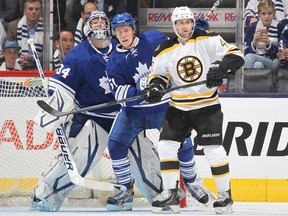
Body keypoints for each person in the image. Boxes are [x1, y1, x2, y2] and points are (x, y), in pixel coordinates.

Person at [31, 10, 166, 212]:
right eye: (95, 22)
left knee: (142, 154)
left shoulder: (121, 47)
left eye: (104, 22)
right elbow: (61, 90)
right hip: (90, 117)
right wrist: (54, 108)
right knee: (82, 156)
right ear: (87, 28)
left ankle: (156, 196)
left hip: (124, 114)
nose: (100, 25)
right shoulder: (78, 56)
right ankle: (46, 195)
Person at [143, 6, 244, 214]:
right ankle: (171, 192)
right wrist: (155, 87)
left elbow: (236, 55)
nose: (185, 26)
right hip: (179, 106)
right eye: (180, 23)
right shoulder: (164, 49)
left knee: (213, 150)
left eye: (188, 22)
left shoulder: (207, 39)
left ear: (192, 22)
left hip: (207, 106)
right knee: (166, 146)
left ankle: (225, 196)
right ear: (174, 26)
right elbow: (159, 76)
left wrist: (221, 68)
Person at [105, 12, 209, 212]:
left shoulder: (153, 39)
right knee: (116, 145)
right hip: (134, 113)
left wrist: (196, 33)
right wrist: (141, 91)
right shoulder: (114, 61)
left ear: (133, 29)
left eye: (126, 30)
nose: (123, 35)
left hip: (163, 107)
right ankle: (125, 189)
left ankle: (191, 181)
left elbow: (177, 48)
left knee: (184, 140)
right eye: (119, 32)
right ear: (115, 34)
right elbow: (120, 94)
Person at [6, 0, 44, 70]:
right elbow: (8, 48)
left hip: (41, 66)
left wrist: (32, 59)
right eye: (30, 9)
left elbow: (49, 52)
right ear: (24, 11)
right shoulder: (13, 25)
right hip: (18, 65)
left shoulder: (49, 27)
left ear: (41, 12)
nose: (33, 12)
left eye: (37, 9)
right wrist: (20, 60)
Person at [244, 0, 280, 74]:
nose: (266, 16)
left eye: (269, 13)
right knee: (258, 65)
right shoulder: (252, 28)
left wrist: (268, 44)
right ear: (259, 15)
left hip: (272, 61)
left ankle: (245, 84)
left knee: (249, 57)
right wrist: (254, 43)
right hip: (257, 60)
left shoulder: (279, 27)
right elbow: (245, 51)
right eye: (263, 13)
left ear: (274, 14)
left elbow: (279, 54)